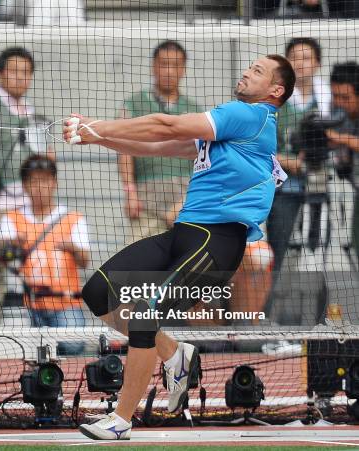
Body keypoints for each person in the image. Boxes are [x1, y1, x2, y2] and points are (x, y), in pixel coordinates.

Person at [63, 54, 295, 440]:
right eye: (248, 66)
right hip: (183, 236)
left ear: (275, 90)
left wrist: (95, 124)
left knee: (143, 316)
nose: (245, 72)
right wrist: (94, 137)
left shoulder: (249, 115)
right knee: (98, 292)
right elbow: (158, 145)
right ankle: (174, 353)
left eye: (257, 71)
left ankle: (121, 420)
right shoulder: (234, 133)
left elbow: (164, 122)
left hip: (215, 246)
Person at [0, 155, 90, 355]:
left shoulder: (72, 218)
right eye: (34, 181)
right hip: (26, 302)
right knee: (20, 351)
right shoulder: (12, 219)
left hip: (65, 302)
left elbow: (84, 261)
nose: (40, 187)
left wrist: (72, 247)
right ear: (25, 185)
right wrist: (12, 244)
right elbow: (2, 257)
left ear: (54, 183)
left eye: (45, 180)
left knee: (73, 345)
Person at [119, 41, 202, 243]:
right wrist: (130, 192)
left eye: (175, 65)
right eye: (163, 64)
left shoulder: (194, 109)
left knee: (184, 264)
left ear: (183, 69)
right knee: (139, 265)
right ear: (153, 66)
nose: (169, 71)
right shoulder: (133, 104)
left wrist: (190, 199)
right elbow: (123, 151)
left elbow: (204, 159)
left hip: (184, 199)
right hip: (146, 198)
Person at [0, 46, 53, 227]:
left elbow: (47, 156)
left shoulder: (31, 112)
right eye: (14, 71)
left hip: (33, 208)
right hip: (2, 205)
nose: (20, 77)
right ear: (0, 73)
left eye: (26, 72)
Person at [267, 37, 331, 272]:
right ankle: (266, 309)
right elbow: (260, 149)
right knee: (276, 255)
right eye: (294, 58)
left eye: (306, 58)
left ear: (317, 63)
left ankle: (319, 310)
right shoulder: (274, 102)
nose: (301, 64)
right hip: (284, 191)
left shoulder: (329, 102)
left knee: (318, 258)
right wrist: (287, 161)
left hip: (322, 190)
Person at [325, 62, 359, 263]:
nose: (339, 102)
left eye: (345, 97)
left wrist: (342, 139)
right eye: (335, 96)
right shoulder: (339, 113)